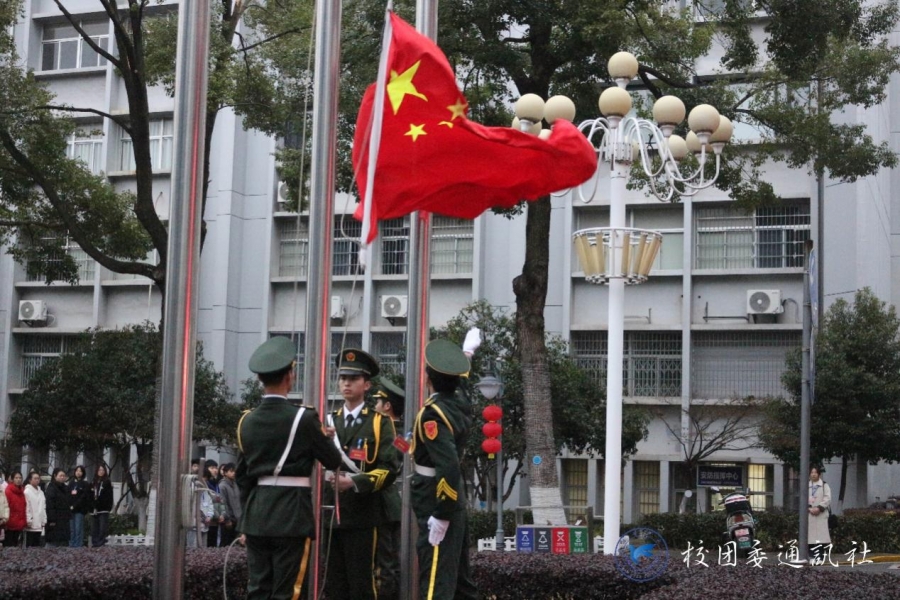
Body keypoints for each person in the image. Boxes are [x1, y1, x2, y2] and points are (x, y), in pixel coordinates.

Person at [236, 336, 343, 600]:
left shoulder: (246, 421)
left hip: (257, 515)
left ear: (260, 379)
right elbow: (333, 461)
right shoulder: (304, 418)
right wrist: (323, 437)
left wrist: (245, 520)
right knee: (288, 592)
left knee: (258, 590)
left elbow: (242, 477)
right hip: (291, 514)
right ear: (290, 376)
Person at [323, 349, 401, 600]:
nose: (346, 383)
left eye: (354, 378)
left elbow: (389, 469)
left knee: (363, 584)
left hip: (364, 514)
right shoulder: (328, 422)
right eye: (343, 378)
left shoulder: (379, 423)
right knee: (334, 585)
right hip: (331, 515)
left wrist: (354, 482)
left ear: (366, 385)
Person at [410, 339, 478, 600]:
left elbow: (447, 466)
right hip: (454, 498)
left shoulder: (433, 414)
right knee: (459, 582)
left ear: (428, 378)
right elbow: (463, 384)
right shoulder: (460, 402)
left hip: (437, 499)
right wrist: (466, 355)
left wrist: (442, 513)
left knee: (435, 579)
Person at [372, 377, 406, 600]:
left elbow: (390, 466)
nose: (374, 406)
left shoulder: (391, 434)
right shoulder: (402, 434)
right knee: (391, 560)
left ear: (387, 406)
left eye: (377, 402)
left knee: (384, 562)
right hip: (392, 503)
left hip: (383, 502)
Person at [44, 468, 71, 547]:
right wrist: (51, 519)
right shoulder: (51, 488)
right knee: (53, 542)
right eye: (60, 476)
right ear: (55, 476)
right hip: (54, 519)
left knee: (63, 542)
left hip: (64, 519)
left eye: (64, 476)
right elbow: (50, 505)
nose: (62, 477)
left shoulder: (65, 488)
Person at [808, 466, 832, 556]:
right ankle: (811, 556)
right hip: (809, 514)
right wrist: (809, 508)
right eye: (812, 472)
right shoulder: (806, 485)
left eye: (815, 472)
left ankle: (820, 557)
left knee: (820, 538)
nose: (813, 474)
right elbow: (803, 498)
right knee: (810, 538)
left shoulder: (824, 485)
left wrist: (819, 508)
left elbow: (827, 498)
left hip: (821, 514)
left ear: (819, 474)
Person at [203, 459, 226, 547]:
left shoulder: (216, 484)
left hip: (216, 520)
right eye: (212, 468)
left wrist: (222, 514)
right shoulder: (204, 484)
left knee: (213, 545)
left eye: (216, 468)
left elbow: (220, 501)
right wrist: (217, 515)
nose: (215, 470)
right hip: (208, 519)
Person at [68, 465, 92, 547]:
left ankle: (78, 545)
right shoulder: (71, 483)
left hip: (80, 510)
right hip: (71, 510)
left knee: (78, 528)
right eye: (77, 471)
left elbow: (84, 497)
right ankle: (71, 545)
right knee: (72, 529)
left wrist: (75, 505)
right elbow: (68, 495)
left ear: (83, 473)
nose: (78, 472)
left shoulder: (85, 484)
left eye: (80, 471)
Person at [219, 462, 241, 547]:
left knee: (234, 544)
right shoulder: (222, 486)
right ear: (225, 473)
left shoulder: (235, 484)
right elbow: (223, 503)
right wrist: (227, 519)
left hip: (237, 519)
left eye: (235, 471)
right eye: (231, 471)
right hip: (228, 520)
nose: (233, 473)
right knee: (225, 543)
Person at [91, 465, 113, 547]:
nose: (101, 471)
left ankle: (101, 542)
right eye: (99, 470)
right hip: (94, 508)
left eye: (103, 470)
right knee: (94, 527)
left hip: (103, 508)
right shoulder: (94, 482)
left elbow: (110, 495)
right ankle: (95, 543)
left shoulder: (107, 482)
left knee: (102, 527)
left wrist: (109, 507)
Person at [3, 471, 26, 548]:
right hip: (10, 524)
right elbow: (5, 507)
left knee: (16, 546)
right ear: (12, 479)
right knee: (9, 546)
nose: (18, 480)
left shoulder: (22, 492)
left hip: (19, 523)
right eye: (16, 478)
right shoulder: (8, 491)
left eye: (20, 478)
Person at [24, 472, 46, 548]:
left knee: (37, 545)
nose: (37, 480)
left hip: (39, 523)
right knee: (30, 545)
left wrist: (44, 519)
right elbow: (27, 507)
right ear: (30, 480)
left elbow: (43, 507)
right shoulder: (27, 492)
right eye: (35, 478)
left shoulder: (41, 492)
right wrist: (28, 520)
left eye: (38, 478)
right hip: (31, 523)